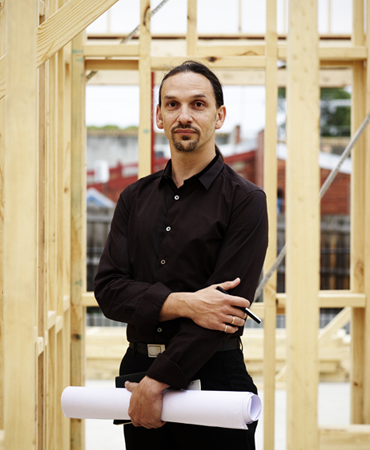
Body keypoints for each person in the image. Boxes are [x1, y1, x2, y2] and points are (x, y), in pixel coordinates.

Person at [94, 60, 268, 449]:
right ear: (159, 116)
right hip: (137, 375)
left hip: (213, 379)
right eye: (172, 105)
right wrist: (188, 303)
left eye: (198, 104)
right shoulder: (133, 198)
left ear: (219, 115)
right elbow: (109, 291)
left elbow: (226, 310)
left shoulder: (246, 201)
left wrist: (159, 381)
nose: (184, 115)